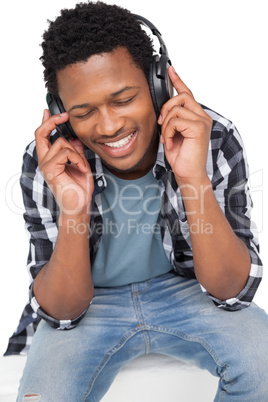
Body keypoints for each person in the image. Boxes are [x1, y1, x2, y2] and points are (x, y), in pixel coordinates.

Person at [5, 1, 268, 400]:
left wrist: (192, 176)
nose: (109, 125)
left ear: (156, 84)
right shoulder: (46, 161)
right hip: (88, 307)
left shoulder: (212, 138)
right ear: (61, 112)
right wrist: (74, 207)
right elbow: (62, 311)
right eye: (84, 111)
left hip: (186, 290)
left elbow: (231, 291)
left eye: (123, 98)